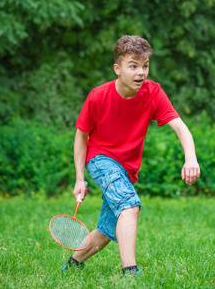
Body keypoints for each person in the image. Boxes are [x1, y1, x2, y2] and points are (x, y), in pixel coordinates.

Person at [62, 35, 200, 275]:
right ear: (117, 68)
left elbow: (180, 127)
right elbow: (81, 137)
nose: (141, 72)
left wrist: (191, 158)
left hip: (127, 169)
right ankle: (130, 272)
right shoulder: (98, 96)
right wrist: (79, 177)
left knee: (108, 229)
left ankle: (71, 265)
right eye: (133, 65)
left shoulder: (153, 93)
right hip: (100, 159)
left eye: (145, 65)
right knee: (129, 205)